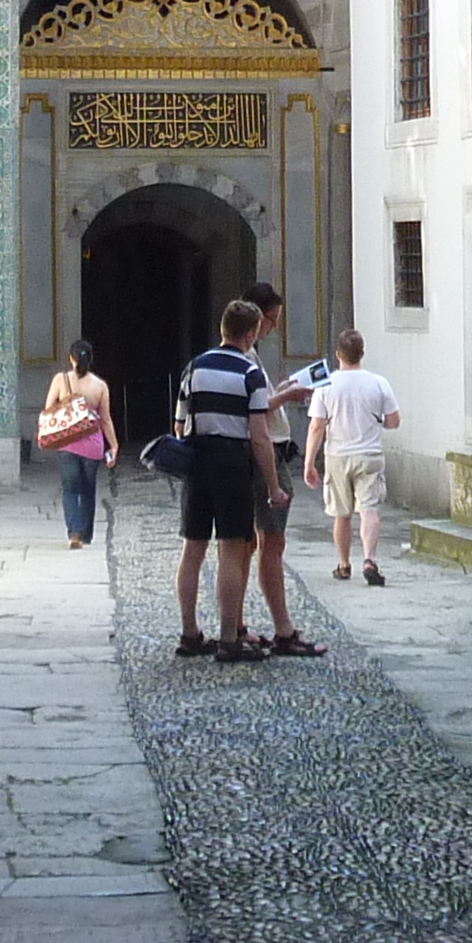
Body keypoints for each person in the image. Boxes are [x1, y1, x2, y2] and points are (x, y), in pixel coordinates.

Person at [173, 296, 285, 664]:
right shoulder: (249, 373)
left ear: (223, 329)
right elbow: (259, 435)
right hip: (233, 464)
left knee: (193, 548)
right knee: (232, 550)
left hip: (198, 460)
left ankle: (189, 633)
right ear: (251, 334)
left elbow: (179, 424)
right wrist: (273, 486)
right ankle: (227, 638)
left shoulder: (195, 368)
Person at [239, 279, 326, 656]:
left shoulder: (250, 356)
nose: (275, 327)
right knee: (268, 543)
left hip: (268, 452)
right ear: (256, 319)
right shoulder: (245, 357)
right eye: (272, 320)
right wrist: (286, 396)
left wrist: (284, 388)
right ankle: (282, 629)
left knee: (256, 544)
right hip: (267, 455)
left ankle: (247, 625)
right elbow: (254, 411)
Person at [305, 328, 403, 585]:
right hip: (369, 454)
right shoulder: (378, 383)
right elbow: (394, 421)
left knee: (342, 514)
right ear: (362, 353)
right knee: (369, 510)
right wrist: (376, 422)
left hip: (337, 455)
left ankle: (344, 563)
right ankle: (369, 559)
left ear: (338, 354)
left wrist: (308, 463)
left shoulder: (325, 385)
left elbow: (317, 426)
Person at [38, 341, 115, 546]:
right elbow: (105, 420)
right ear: (90, 359)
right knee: (88, 490)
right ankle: (87, 534)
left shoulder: (60, 380)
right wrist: (113, 446)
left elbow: (49, 409)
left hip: (67, 444)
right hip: (93, 447)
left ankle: (74, 533)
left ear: (71, 358)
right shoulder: (100, 386)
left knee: (70, 489)